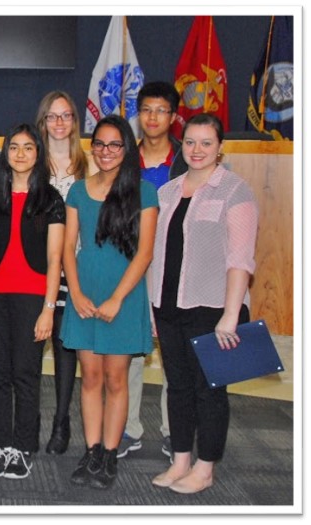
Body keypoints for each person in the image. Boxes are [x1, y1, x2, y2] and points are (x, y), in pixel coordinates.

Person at [149, 113, 258, 494]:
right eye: (190, 142)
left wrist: (230, 315)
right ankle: (180, 461)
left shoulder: (234, 190)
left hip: (214, 309)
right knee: (177, 386)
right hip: (167, 305)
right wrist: (151, 308)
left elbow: (241, 259)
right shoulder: (168, 192)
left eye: (206, 143)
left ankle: (205, 467)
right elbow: (157, 254)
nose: (197, 150)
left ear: (220, 147)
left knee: (210, 390)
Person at [61, 114, 158, 489]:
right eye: (99, 144)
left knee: (117, 379)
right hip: (85, 295)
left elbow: (145, 253)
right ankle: (91, 449)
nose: (105, 151)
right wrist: (78, 293)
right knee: (91, 378)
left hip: (124, 297)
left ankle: (109, 455)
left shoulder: (144, 192)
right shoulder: (77, 191)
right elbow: (69, 247)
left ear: (127, 149)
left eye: (114, 144)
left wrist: (118, 298)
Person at [0, 124, 65, 479]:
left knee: (26, 375)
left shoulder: (51, 200)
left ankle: (24, 447)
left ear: (38, 154)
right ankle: (2, 445)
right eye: (14, 147)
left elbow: (55, 260)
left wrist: (48, 309)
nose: (20, 154)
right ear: (5, 154)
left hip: (32, 299)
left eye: (28, 147)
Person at [120, 81, 187, 459]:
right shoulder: (124, 158)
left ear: (174, 117)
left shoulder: (187, 158)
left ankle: (171, 430)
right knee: (130, 351)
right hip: (130, 264)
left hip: (176, 266)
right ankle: (128, 430)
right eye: (146, 109)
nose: (152, 117)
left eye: (161, 110)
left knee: (172, 351)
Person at [34, 90, 88, 455]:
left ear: (74, 122)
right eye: (52, 116)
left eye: (65, 116)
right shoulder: (28, 163)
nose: (58, 123)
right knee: (31, 348)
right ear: (43, 122)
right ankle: (29, 421)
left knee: (65, 348)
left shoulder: (90, 168)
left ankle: (61, 422)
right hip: (33, 269)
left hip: (74, 272)